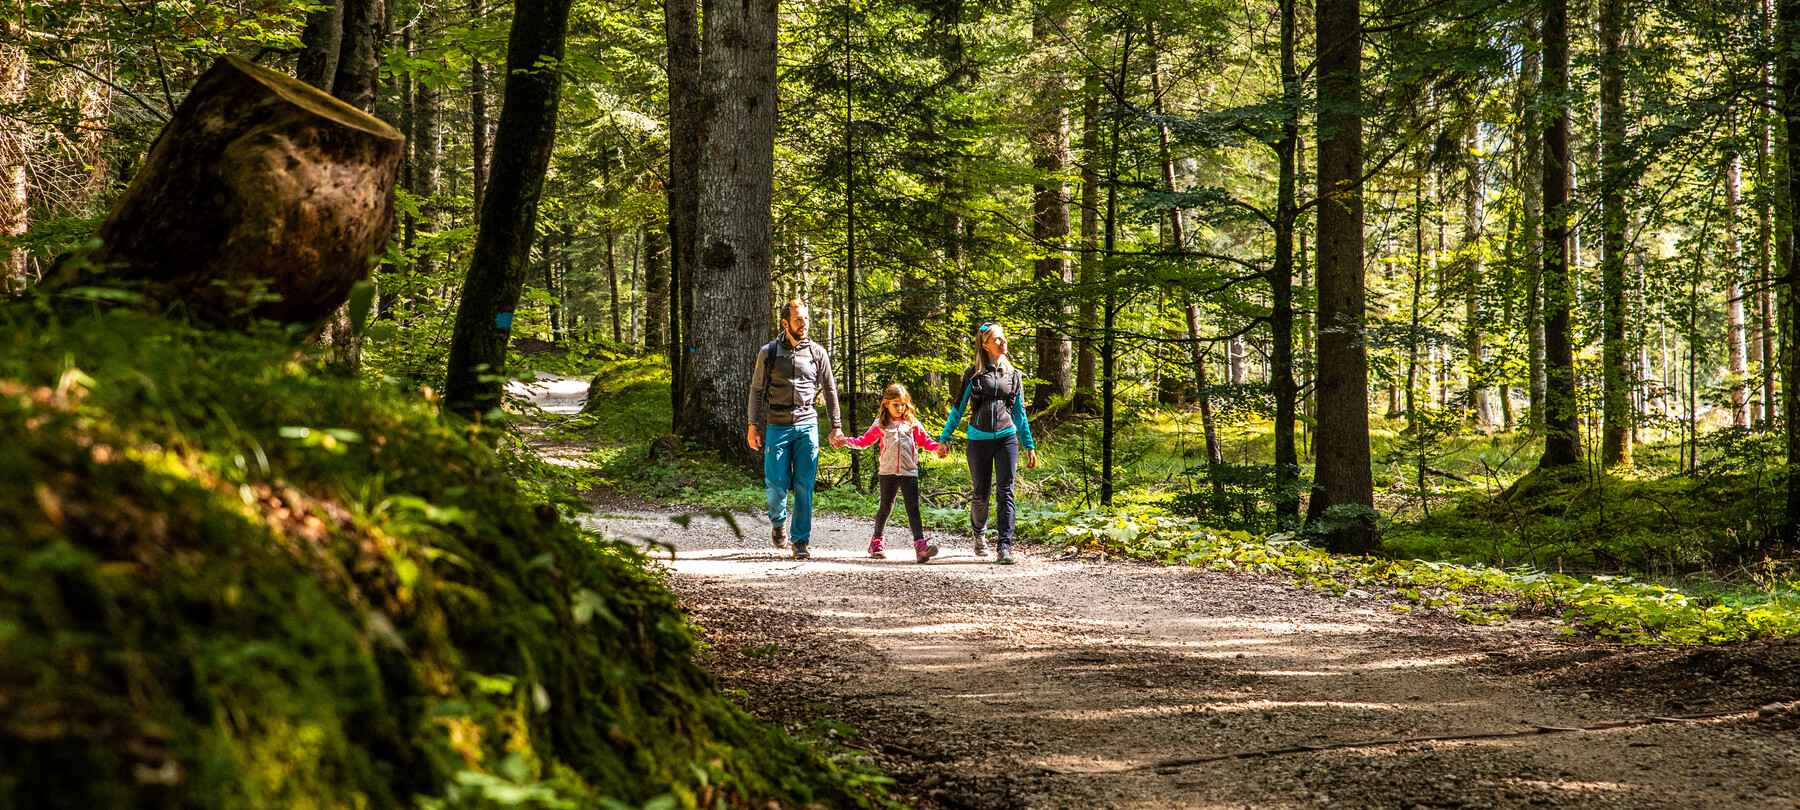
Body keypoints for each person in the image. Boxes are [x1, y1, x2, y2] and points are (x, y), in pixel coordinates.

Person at [748, 299, 845, 559]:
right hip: (777, 425)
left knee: (804, 485)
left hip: (807, 425)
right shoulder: (768, 352)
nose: (804, 323)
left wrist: (836, 426)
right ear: (785, 323)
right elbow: (756, 390)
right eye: (798, 319)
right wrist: (752, 425)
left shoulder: (817, 353)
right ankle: (778, 522)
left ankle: (800, 540)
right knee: (775, 483)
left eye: (806, 318)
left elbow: (830, 390)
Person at [938, 322, 1039, 564]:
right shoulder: (972, 374)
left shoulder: (1014, 375)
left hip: (1007, 438)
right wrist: (945, 438)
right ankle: (979, 534)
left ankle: (1004, 546)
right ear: (985, 345)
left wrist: (1029, 445)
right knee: (981, 493)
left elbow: (1020, 413)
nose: (1003, 342)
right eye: (997, 339)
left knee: (1006, 492)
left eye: (1004, 338)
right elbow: (958, 408)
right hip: (978, 439)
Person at [838, 383, 950, 563]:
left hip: (909, 472)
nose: (899, 408)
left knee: (913, 508)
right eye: (895, 404)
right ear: (886, 404)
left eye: (902, 404)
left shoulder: (912, 423)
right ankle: (876, 542)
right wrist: (845, 441)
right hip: (887, 472)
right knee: (886, 507)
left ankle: (920, 546)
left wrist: (938, 448)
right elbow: (864, 441)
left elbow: (925, 441)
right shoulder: (881, 424)